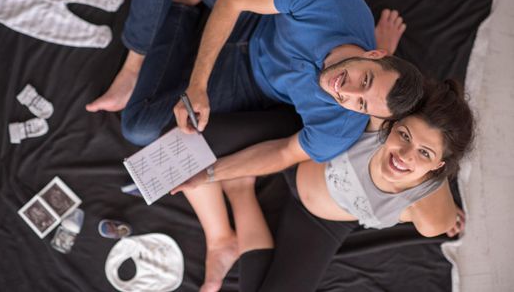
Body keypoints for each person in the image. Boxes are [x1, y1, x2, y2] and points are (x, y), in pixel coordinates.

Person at [85, 0, 423, 174]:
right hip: (256, 15)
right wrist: (197, 84)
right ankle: (134, 64)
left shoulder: (341, 126)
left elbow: (283, 153)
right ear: (375, 54)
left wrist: (209, 176)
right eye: (364, 80)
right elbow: (233, 0)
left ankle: (182, 7)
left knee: (138, 128)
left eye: (360, 104)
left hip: (247, 81)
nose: (345, 91)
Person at [172, 80, 474, 291]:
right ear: (394, 125)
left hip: (321, 220)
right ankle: (220, 234)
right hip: (296, 149)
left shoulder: (428, 212)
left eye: (424, 153)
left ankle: (241, 193)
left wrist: (439, 194)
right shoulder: (379, 121)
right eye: (405, 136)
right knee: (181, 143)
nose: (404, 156)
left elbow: (440, 214)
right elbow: (373, 84)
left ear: (439, 168)